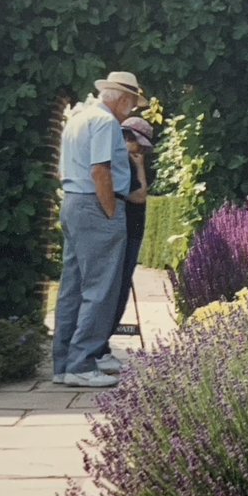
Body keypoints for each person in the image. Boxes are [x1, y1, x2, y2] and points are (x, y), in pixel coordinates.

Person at [51, 71, 146, 388]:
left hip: (74, 203)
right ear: (123, 99)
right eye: (132, 104)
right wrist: (110, 210)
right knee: (100, 289)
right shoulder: (106, 123)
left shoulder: (78, 118)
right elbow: (100, 170)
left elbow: (65, 169)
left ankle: (63, 365)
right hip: (96, 205)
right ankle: (82, 363)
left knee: (73, 288)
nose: (131, 110)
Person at [96, 116, 153, 364]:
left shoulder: (134, 162)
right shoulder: (125, 164)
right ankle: (99, 346)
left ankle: (101, 344)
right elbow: (139, 196)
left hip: (133, 231)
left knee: (120, 287)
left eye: (135, 141)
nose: (133, 145)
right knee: (115, 289)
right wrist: (140, 170)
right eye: (129, 139)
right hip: (123, 230)